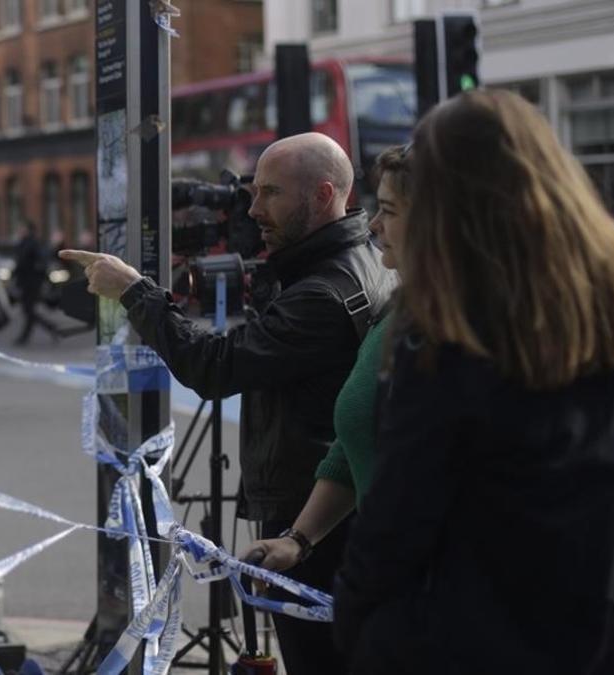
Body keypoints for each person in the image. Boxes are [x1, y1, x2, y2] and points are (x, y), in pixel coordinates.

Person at [331, 89, 614, 674]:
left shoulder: (446, 333)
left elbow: (396, 524)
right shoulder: (609, 311)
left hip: (470, 645)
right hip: (592, 642)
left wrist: (360, 626)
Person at [60, 132, 396, 675]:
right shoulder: (360, 261)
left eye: (270, 193)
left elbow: (214, 366)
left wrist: (134, 292)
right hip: (327, 509)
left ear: (324, 194)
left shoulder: (318, 294)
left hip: (310, 517)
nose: (254, 208)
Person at [243, 144, 409, 574]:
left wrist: (136, 294)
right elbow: (354, 439)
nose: (373, 223)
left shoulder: (462, 333)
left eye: (388, 210)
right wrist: (299, 539)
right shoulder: (402, 309)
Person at [13, 222, 58, 345]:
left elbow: (40, 261)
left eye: (21, 229)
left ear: (27, 230)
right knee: (28, 311)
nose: (19, 231)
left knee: (28, 310)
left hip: (31, 283)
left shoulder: (32, 243)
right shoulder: (24, 243)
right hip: (26, 283)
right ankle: (51, 327)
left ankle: (24, 337)